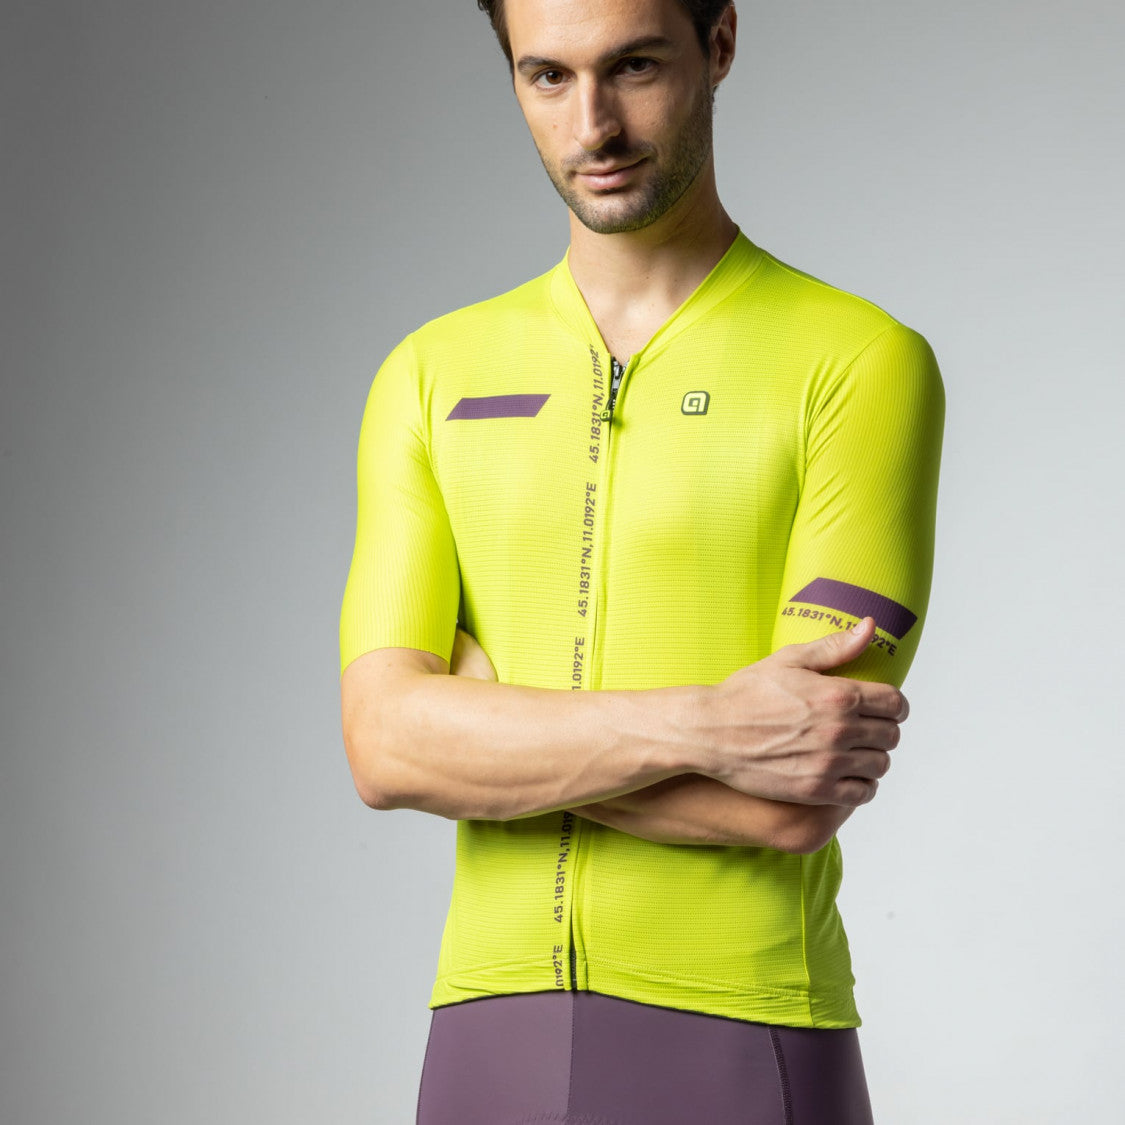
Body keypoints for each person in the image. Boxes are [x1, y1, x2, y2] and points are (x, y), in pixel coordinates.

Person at [339, 0, 944, 1120]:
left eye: (634, 67)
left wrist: (486, 729)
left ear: (719, 44)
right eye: (548, 77)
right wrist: (709, 727)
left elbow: (794, 793)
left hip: (745, 1030)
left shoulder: (859, 363)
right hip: (485, 1036)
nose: (594, 126)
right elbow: (383, 748)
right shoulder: (427, 374)